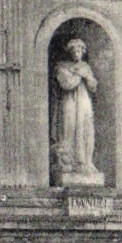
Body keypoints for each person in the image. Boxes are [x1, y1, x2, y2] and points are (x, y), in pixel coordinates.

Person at [52, 37, 101, 182]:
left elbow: (93, 85)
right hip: (69, 102)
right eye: (74, 50)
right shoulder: (62, 66)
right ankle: (69, 163)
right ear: (69, 52)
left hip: (84, 101)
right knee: (69, 130)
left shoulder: (86, 67)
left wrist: (86, 76)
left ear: (83, 52)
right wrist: (80, 75)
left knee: (86, 129)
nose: (76, 53)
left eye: (79, 50)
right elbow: (66, 84)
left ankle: (86, 162)